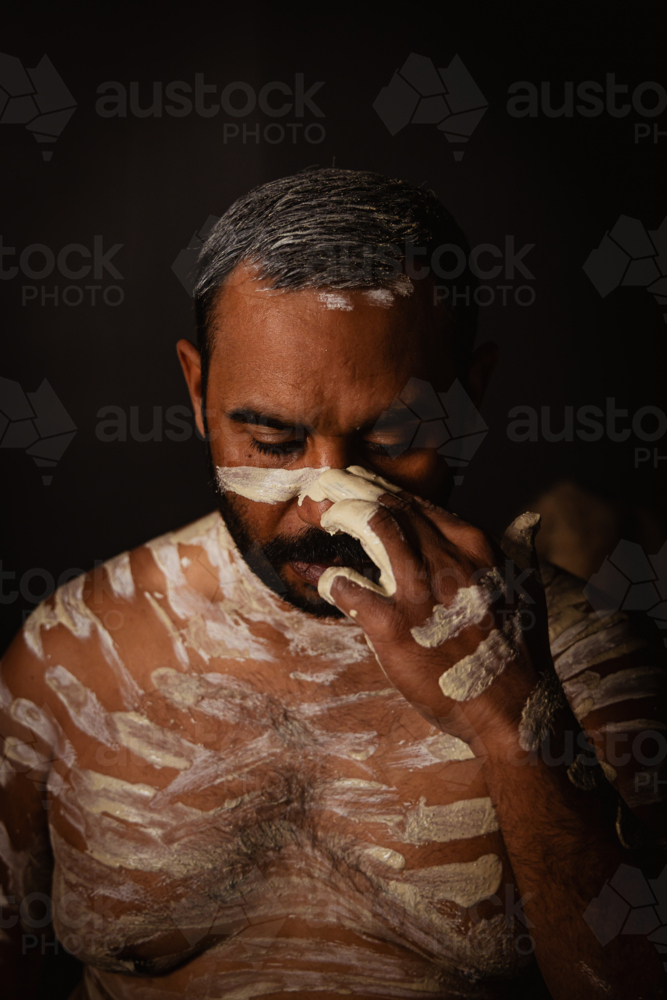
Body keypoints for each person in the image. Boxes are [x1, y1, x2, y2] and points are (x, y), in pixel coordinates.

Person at [1, 168, 665, 1000]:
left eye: (390, 437)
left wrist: (509, 721)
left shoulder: (594, 669)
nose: (329, 504)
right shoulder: (68, 658)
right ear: (197, 389)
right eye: (273, 442)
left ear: (471, 396)